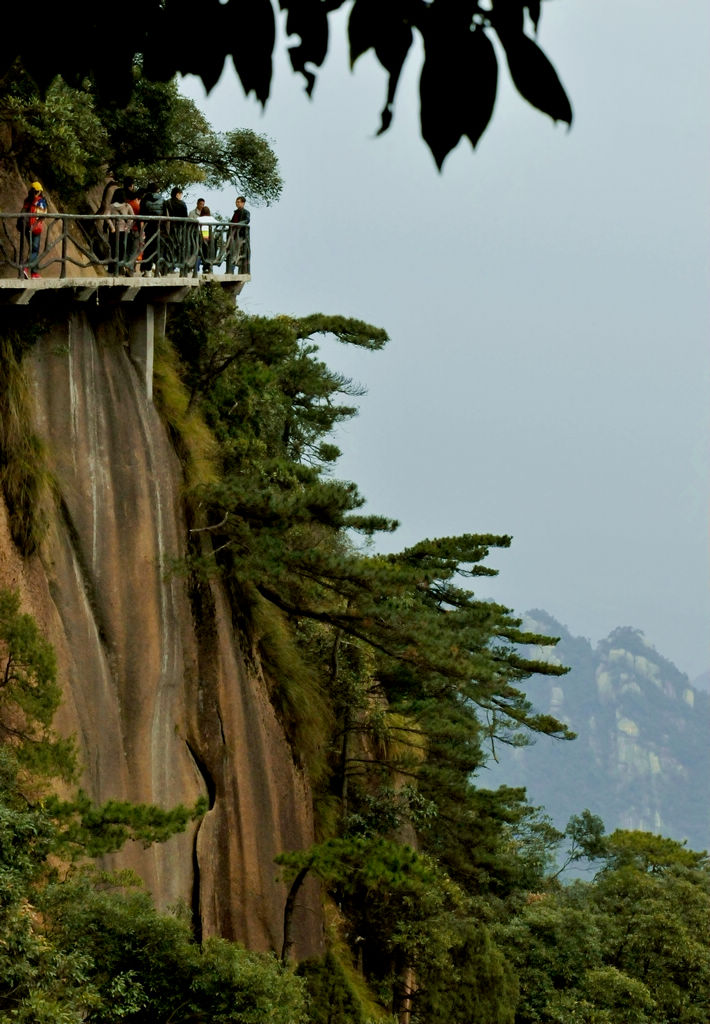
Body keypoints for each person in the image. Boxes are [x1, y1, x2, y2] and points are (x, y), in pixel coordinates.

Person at [17, 181, 47, 279]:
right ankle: (25, 268)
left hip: (25, 227)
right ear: (39, 191)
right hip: (35, 228)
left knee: (33, 250)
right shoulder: (40, 201)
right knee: (35, 250)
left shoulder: (27, 200)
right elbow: (43, 214)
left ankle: (34, 273)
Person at [107, 188, 135, 274]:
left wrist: (112, 227)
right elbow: (133, 217)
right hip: (124, 231)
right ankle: (121, 268)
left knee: (113, 249)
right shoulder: (127, 206)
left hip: (114, 231)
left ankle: (112, 269)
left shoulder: (111, 206)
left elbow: (107, 217)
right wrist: (128, 226)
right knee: (123, 250)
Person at [139, 182, 165, 272]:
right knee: (158, 246)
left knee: (148, 246)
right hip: (159, 226)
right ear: (157, 190)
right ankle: (158, 268)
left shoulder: (144, 199)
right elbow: (165, 213)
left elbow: (141, 214)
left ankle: (147, 269)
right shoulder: (162, 199)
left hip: (148, 225)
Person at [163, 187, 189, 271]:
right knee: (180, 246)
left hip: (169, 228)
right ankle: (179, 265)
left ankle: (168, 264)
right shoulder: (182, 204)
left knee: (169, 246)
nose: (181, 196)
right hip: (180, 229)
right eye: (181, 194)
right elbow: (185, 217)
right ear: (177, 194)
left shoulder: (167, 202)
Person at [226, 195, 250, 275]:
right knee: (229, 250)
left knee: (235, 252)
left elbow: (247, 220)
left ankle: (231, 268)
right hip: (233, 234)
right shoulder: (236, 212)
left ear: (243, 203)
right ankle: (229, 269)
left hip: (239, 235)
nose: (237, 203)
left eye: (239, 202)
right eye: (236, 202)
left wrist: (238, 224)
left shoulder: (246, 212)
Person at [196, 206, 218, 273]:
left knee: (199, 253)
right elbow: (221, 225)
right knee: (209, 252)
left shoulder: (198, 219)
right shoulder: (211, 219)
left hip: (200, 238)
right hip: (209, 239)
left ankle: (196, 268)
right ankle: (207, 267)